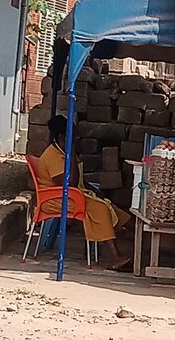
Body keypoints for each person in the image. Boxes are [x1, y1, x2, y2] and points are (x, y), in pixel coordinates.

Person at [37, 115, 131, 270]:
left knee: (109, 205)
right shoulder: (53, 156)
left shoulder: (62, 151)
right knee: (99, 209)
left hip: (72, 194)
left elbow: (79, 183)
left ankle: (138, 238)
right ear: (63, 137)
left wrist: (96, 191)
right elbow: (70, 184)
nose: (77, 138)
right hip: (55, 199)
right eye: (74, 136)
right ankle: (115, 256)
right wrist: (71, 155)